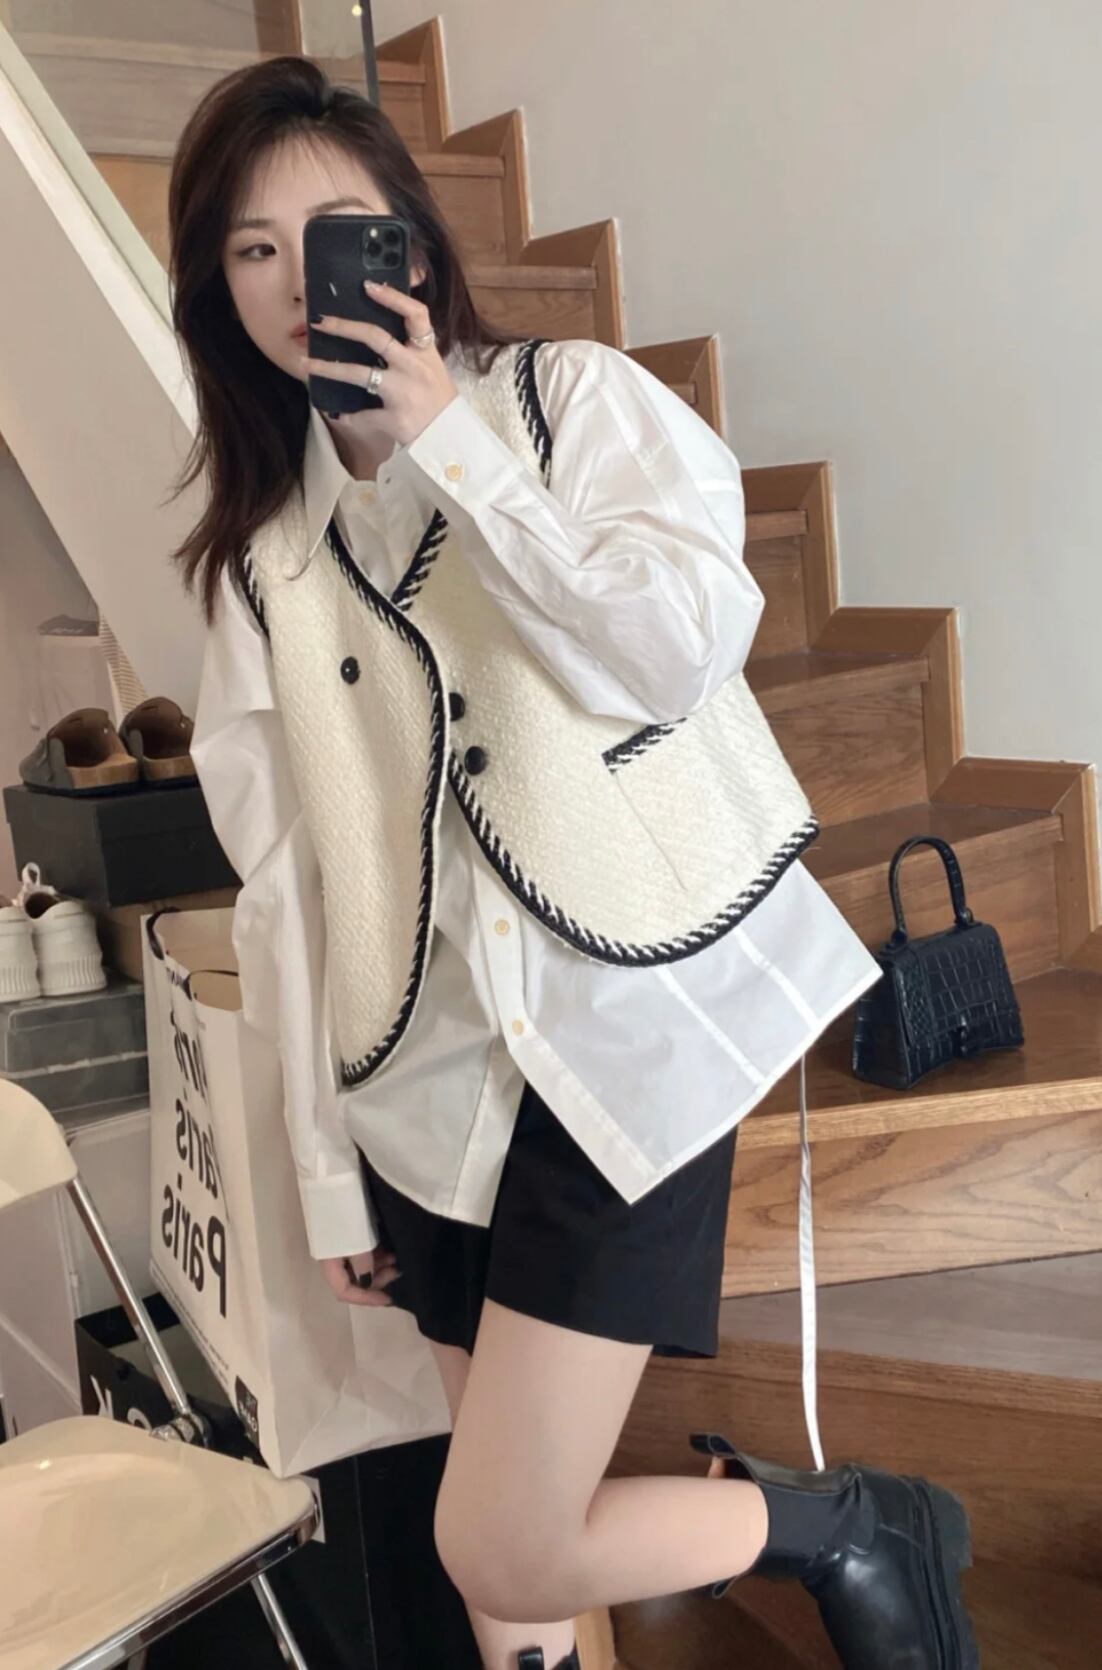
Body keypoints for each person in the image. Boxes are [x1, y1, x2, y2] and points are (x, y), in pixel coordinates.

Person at [171, 55, 978, 1670]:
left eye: (333, 232)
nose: (296, 281)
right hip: (421, 1081)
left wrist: (452, 446)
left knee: (500, 1527)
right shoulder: (261, 564)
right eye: (252, 250)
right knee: (509, 1577)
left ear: (408, 238)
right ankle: (834, 1529)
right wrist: (324, 1166)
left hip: (626, 1034)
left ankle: (846, 1524)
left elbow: (679, 648)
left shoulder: (575, 403)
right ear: (216, 292)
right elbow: (289, 885)